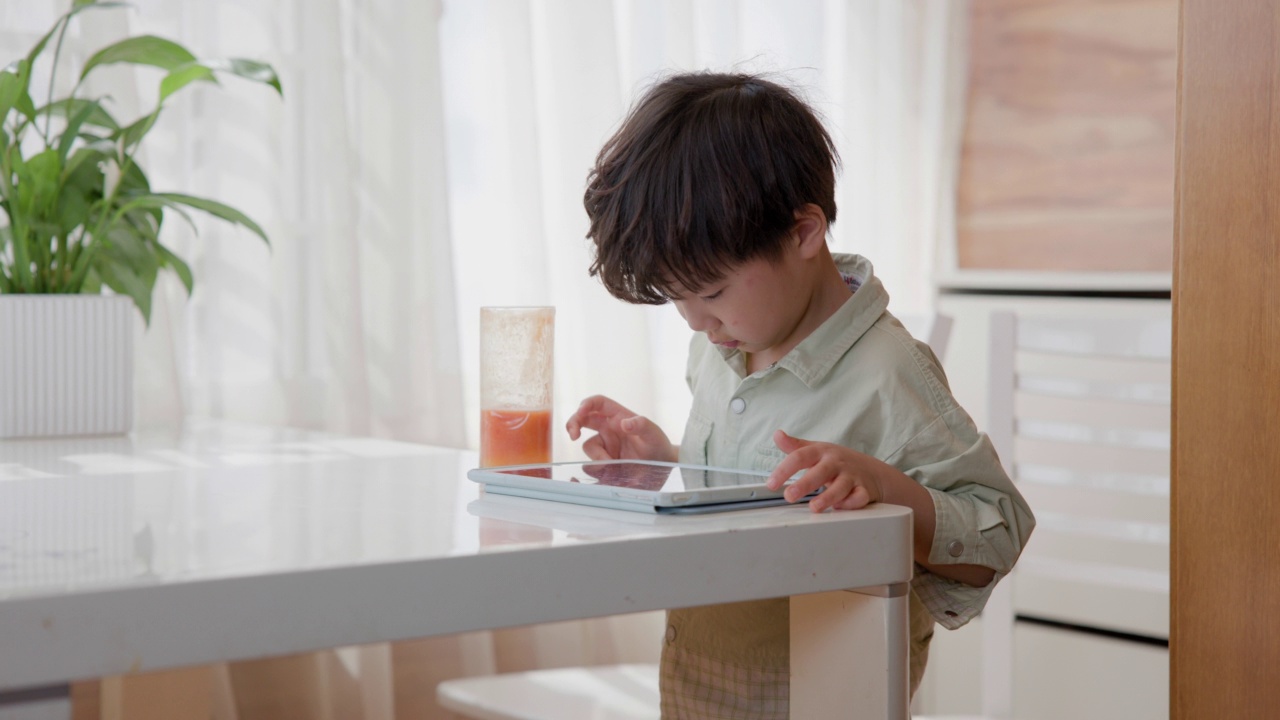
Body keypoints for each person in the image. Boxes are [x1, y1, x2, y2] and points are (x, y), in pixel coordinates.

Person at [565, 71, 1035, 720]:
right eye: (677, 298)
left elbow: (1000, 532)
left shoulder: (887, 373)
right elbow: (753, 493)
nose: (696, 322)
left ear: (803, 233)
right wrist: (666, 459)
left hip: (825, 691)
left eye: (711, 292)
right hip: (702, 680)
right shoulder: (722, 346)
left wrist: (884, 484)